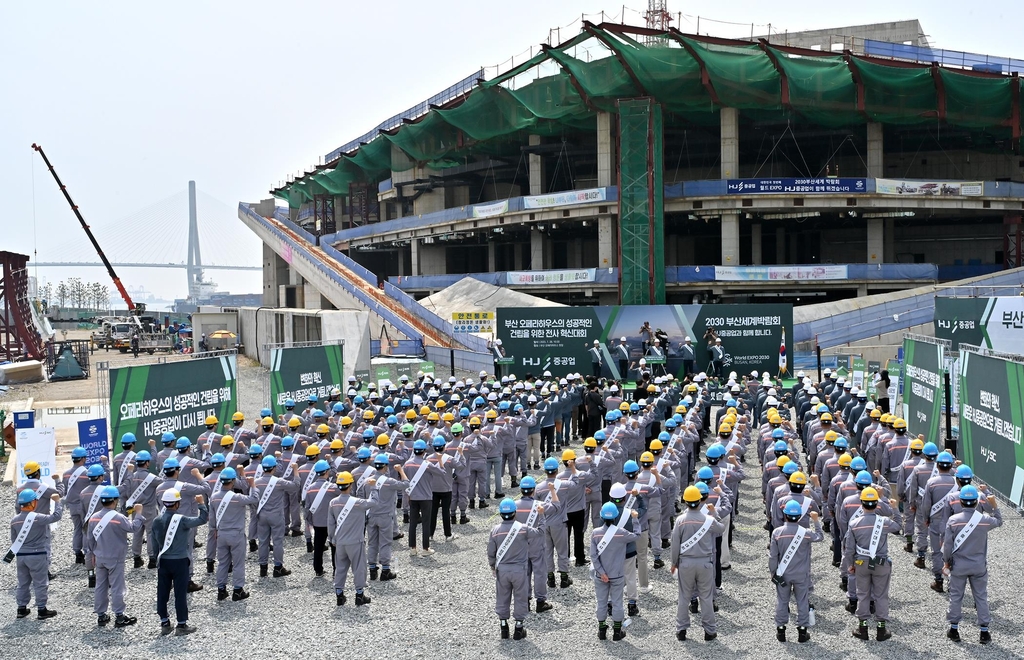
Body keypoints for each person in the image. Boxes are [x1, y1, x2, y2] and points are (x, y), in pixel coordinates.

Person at [943, 485, 1002, 644]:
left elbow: (948, 546)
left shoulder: (953, 521)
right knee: (981, 597)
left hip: (959, 566)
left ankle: (954, 630)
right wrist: (994, 505)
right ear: (976, 502)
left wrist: (946, 563)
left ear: (961, 502)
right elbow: (999, 521)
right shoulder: (984, 520)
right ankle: (984, 633)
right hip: (978, 566)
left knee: (956, 597)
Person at [842, 486, 902, 642]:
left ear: (861, 503)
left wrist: (851, 565)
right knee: (881, 595)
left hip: (861, 563)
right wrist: (895, 509)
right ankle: (881, 630)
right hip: (881, 563)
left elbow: (849, 550)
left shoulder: (854, 523)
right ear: (877, 504)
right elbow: (898, 526)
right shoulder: (884, 522)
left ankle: (863, 629)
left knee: (863, 594)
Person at [670, 485, 725, 642]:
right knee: (706, 597)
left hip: (685, 563)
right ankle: (709, 631)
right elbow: (721, 529)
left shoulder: (680, 520)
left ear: (686, 502)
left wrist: (674, 563)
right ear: (700, 501)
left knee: (684, 597)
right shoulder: (709, 520)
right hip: (705, 563)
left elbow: (675, 544)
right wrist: (714, 512)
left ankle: (681, 629)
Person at [84, 485, 144, 627]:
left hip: (100, 557)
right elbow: (134, 528)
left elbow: (90, 540)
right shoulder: (118, 517)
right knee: (117, 586)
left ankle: (101, 615)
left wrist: (93, 553)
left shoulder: (93, 518)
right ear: (115, 501)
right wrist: (139, 514)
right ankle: (119, 615)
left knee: (100, 586)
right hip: (116, 557)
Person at [152, 489, 208, 635]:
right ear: (177, 503)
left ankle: (164, 623)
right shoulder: (182, 519)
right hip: (180, 561)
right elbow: (202, 519)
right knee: (180, 593)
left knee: (162, 592)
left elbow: (153, 544)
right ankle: (181, 625)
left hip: (163, 561)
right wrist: (201, 504)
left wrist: (157, 559)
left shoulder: (157, 520)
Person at [488, 497, 543, 640]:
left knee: (502, 597)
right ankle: (519, 628)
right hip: (520, 570)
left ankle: (503, 627)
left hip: (503, 571)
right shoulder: (522, 529)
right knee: (520, 598)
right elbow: (540, 532)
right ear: (515, 513)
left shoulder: (495, 530)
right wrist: (542, 515)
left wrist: (493, 566)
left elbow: (491, 552)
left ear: (500, 513)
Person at [769, 501, 823, 643]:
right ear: (799, 516)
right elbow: (820, 536)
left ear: (785, 515)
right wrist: (816, 521)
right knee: (802, 601)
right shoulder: (806, 533)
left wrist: (773, 573)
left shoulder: (777, 533)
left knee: (782, 601)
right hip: (801, 574)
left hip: (783, 573)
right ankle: (802, 632)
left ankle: (781, 631)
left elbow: (773, 556)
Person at [9, 490, 63, 620]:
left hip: (21, 556)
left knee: (23, 583)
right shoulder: (38, 517)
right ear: (32, 502)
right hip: (37, 554)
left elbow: (14, 540)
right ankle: (41, 609)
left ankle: (21, 609)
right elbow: (56, 516)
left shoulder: (14, 520)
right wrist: (57, 502)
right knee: (40, 582)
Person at [591, 501, 639, 642]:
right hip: (617, 574)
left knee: (601, 602)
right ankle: (617, 632)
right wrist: (635, 519)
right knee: (617, 602)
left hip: (601, 575)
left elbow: (593, 556)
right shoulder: (621, 533)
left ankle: (602, 630)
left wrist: (601, 572)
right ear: (615, 517)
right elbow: (637, 535)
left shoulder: (595, 533)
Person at [327, 471, 375, 607]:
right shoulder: (357, 503)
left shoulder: (333, 503)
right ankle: (359, 595)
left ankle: (339, 595)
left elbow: (331, 524)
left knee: (340, 568)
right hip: (355, 542)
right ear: (350, 485)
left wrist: (332, 539)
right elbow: (374, 502)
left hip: (340, 542)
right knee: (359, 568)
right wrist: (374, 487)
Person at [210, 467, 258, 601]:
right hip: (236, 534)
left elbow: (212, 519)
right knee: (238, 563)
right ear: (232, 481)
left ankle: (221, 590)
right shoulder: (237, 497)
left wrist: (215, 531)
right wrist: (252, 485)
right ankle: (237, 591)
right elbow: (254, 498)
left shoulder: (214, 497)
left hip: (221, 534)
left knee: (223, 563)